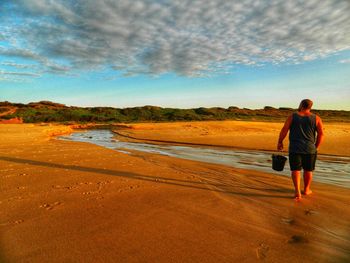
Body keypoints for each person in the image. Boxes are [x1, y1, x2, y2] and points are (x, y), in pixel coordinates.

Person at [277, 99, 324, 201]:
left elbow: (284, 129)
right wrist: (316, 146)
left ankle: (297, 192)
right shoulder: (316, 118)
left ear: (301, 105)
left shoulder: (292, 116)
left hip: (295, 148)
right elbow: (321, 134)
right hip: (310, 149)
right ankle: (306, 190)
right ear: (310, 106)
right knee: (308, 170)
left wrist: (280, 141)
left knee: (295, 170)